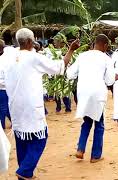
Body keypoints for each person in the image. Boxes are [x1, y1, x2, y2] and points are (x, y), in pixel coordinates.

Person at [0, 28, 79, 180]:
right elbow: (59, 67)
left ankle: (24, 170)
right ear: (30, 41)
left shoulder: (8, 58)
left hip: (15, 104)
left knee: (21, 137)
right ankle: (25, 171)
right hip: (31, 105)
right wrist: (70, 50)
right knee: (40, 138)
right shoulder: (33, 57)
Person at [67, 34, 116, 163]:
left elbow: (70, 74)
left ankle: (80, 149)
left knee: (87, 121)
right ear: (105, 45)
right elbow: (110, 81)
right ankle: (95, 155)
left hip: (82, 93)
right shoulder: (106, 59)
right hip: (97, 93)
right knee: (99, 124)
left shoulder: (82, 56)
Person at [0, 40, 11, 129]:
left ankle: (2, 126)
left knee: (3, 108)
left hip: (3, 88)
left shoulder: (4, 59)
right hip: (4, 88)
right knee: (4, 108)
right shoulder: (6, 59)